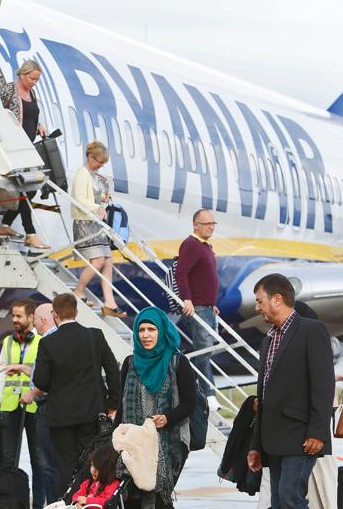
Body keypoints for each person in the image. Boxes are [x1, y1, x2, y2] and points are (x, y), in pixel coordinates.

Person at [246, 274, 335, 509]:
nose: (257, 308)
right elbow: (263, 395)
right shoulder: (268, 340)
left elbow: (323, 385)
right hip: (273, 439)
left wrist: (318, 432)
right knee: (278, 503)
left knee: (290, 498)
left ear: (277, 299)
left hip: (302, 437)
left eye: (259, 301)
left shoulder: (311, 330)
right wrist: (256, 445)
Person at [25, 293, 120, 492]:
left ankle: (69, 501)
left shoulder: (47, 343)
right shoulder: (95, 336)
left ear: (55, 315)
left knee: (65, 467)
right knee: (91, 462)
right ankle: (89, 499)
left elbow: (41, 381)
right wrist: (112, 404)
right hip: (92, 413)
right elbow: (113, 370)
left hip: (61, 417)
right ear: (76, 312)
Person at [117, 308, 197, 509]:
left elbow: (190, 402)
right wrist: (115, 440)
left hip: (168, 441)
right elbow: (122, 403)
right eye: (141, 330)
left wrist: (168, 418)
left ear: (162, 330)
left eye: (151, 329)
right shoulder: (130, 363)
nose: (145, 335)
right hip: (134, 442)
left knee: (160, 497)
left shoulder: (178, 362)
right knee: (131, 498)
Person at [0, 300, 52, 509]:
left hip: (34, 407)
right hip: (9, 406)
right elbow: (0, 376)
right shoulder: (7, 342)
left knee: (39, 461)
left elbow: (45, 373)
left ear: (31, 317)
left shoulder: (42, 341)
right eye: (13, 316)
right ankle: (9, 502)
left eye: (19, 316)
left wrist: (25, 368)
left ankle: (39, 505)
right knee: (8, 461)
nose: (15, 320)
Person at [174, 208, 220, 444]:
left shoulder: (206, 246)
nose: (212, 226)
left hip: (207, 307)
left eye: (214, 223)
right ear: (196, 225)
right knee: (203, 351)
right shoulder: (191, 245)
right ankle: (209, 393)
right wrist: (188, 300)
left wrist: (212, 304)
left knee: (208, 349)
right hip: (197, 307)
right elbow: (182, 273)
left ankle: (207, 392)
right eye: (207, 223)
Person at [0, 59, 49, 251]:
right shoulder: (9, 89)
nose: (34, 83)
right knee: (27, 188)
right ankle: (31, 233)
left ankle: (5, 225)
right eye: (32, 78)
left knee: (31, 189)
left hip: (28, 148)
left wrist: (38, 126)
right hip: (12, 148)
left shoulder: (31, 93)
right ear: (22, 74)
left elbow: (30, 117)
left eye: (36, 80)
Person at [71, 141, 125, 317]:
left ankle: (109, 302)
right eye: (99, 162)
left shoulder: (93, 176)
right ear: (90, 157)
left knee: (108, 260)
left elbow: (92, 196)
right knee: (99, 261)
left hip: (95, 222)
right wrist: (97, 207)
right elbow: (79, 198)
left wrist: (103, 197)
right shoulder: (82, 174)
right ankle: (78, 291)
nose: (101, 166)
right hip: (84, 223)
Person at [30, 303, 62, 504]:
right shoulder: (61, 340)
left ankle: (52, 504)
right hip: (60, 408)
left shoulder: (46, 342)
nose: (33, 323)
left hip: (46, 408)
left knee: (48, 465)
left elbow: (46, 381)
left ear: (42, 320)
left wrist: (31, 394)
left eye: (34, 319)